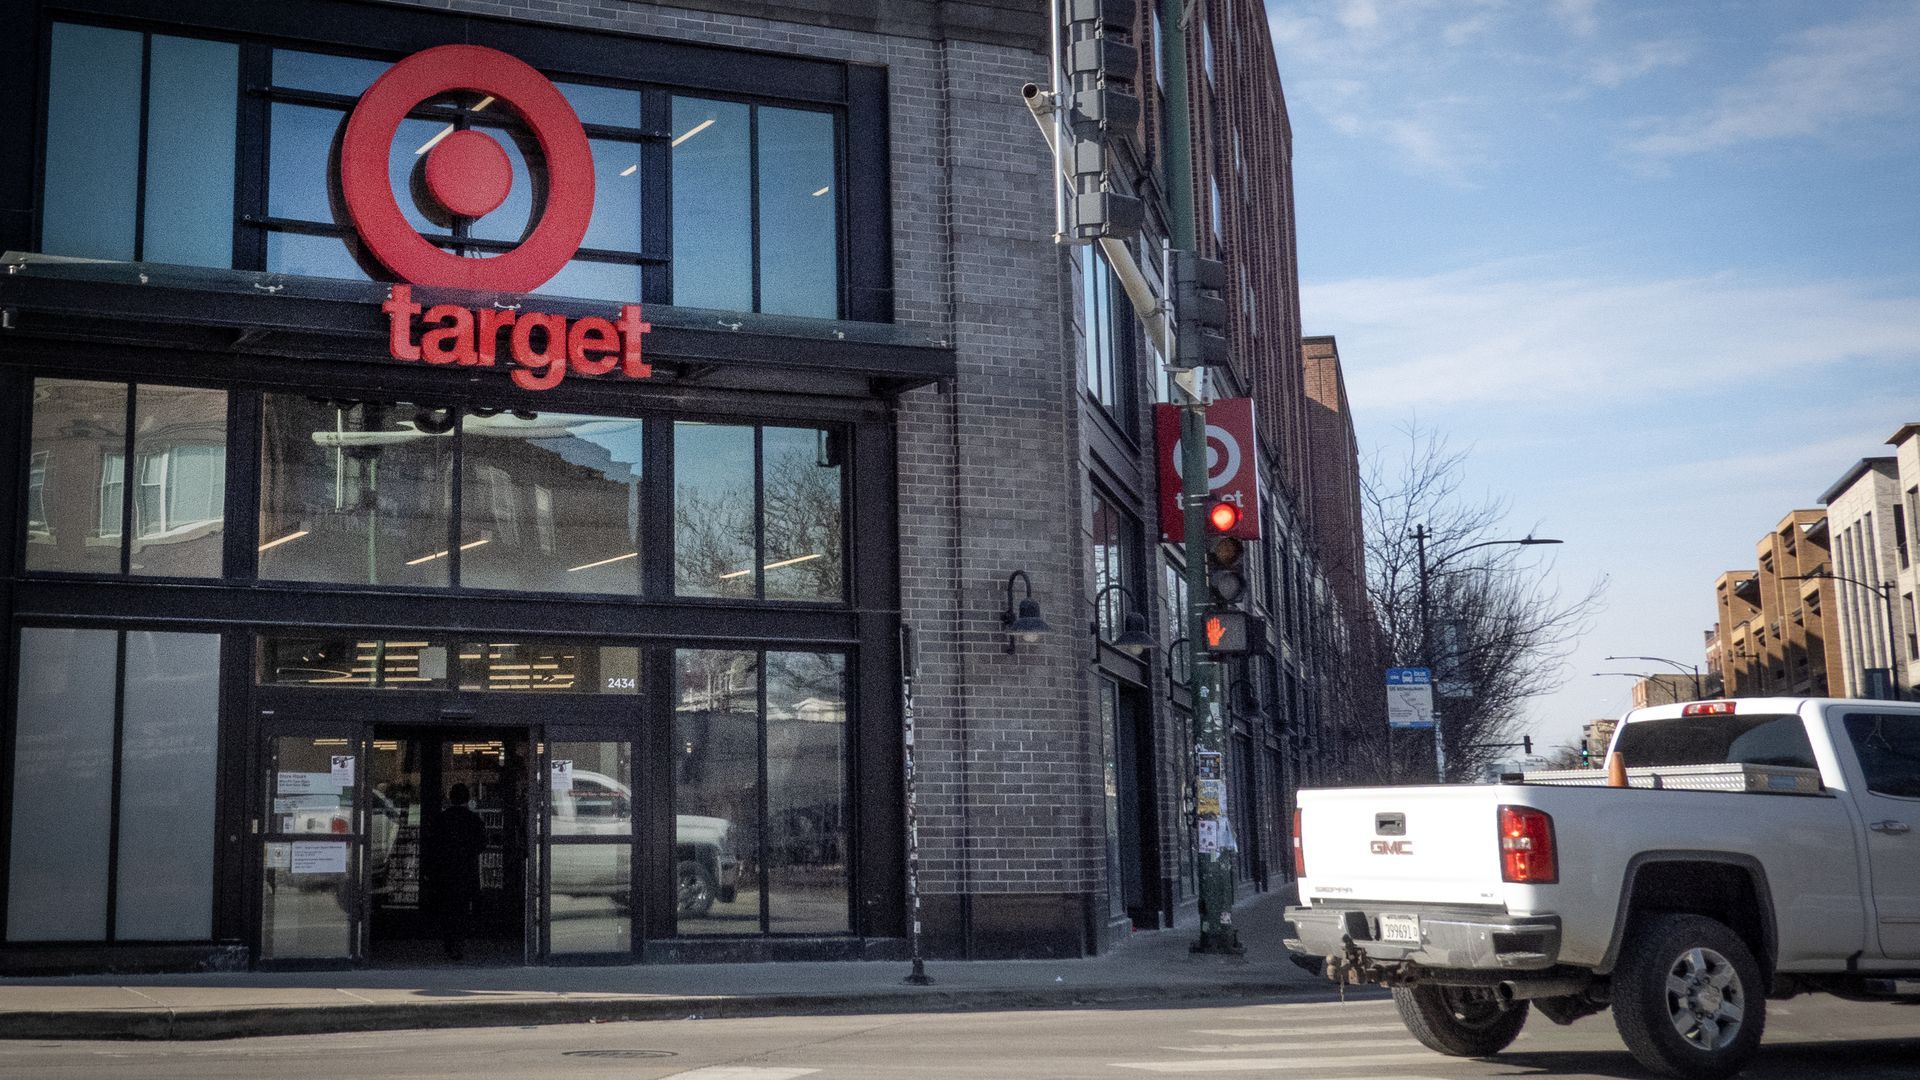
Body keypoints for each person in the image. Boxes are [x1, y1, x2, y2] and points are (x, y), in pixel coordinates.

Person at [429, 783, 487, 960]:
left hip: (445, 872)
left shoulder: (441, 819)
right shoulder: (474, 820)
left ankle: (448, 942)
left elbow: (433, 845)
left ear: (450, 798)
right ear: (468, 799)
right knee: (462, 910)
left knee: (447, 908)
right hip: (466, 872)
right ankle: (458, 945)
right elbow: (481, 846)